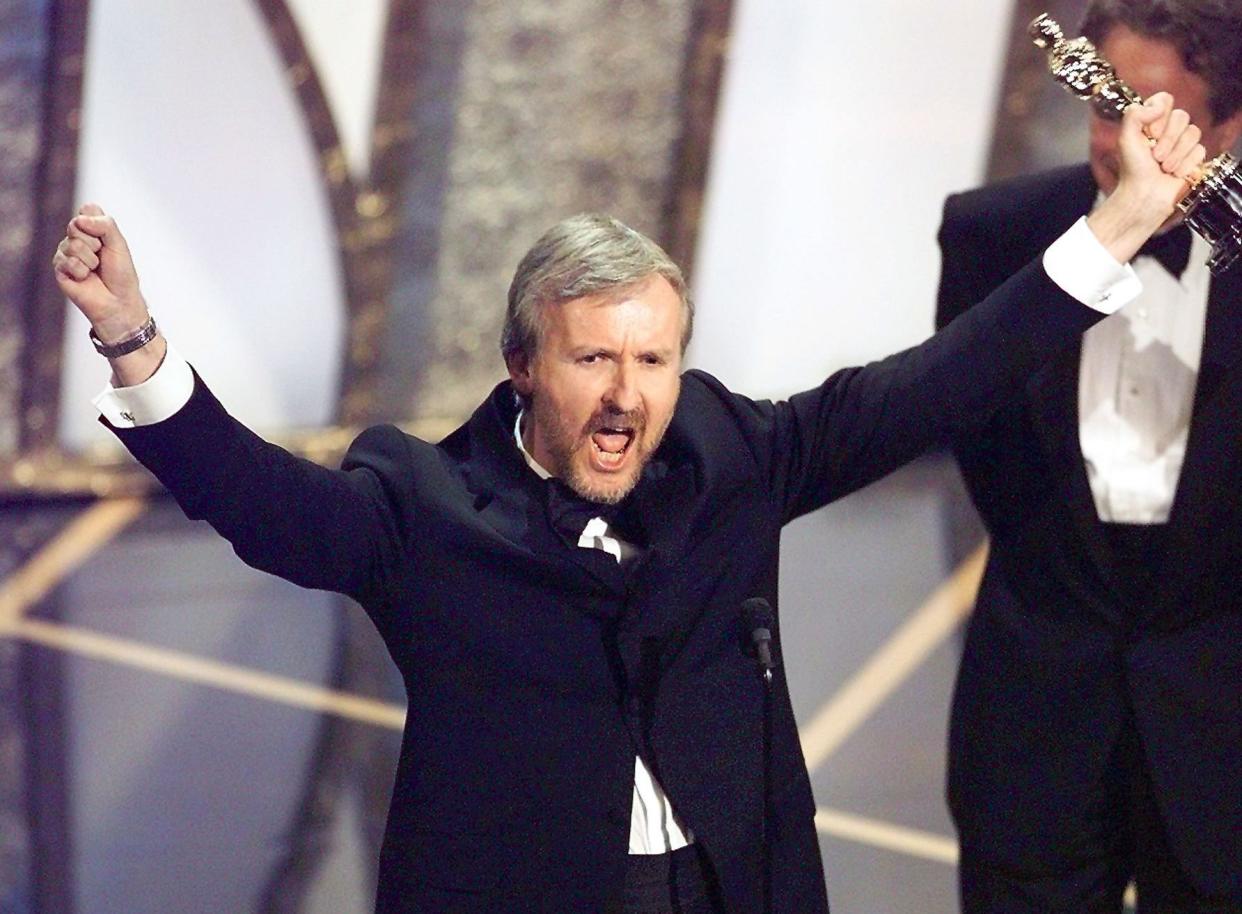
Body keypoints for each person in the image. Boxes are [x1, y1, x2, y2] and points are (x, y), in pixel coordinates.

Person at [52, 92, 1201, 913]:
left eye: (653, 362)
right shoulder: (425, 504)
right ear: (520, 364)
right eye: (592, 359)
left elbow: (936, 381)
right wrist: (132, 336)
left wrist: (1120, 226)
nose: (625, 397)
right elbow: (264, 504)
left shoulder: (732, 453)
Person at [935, 3, 1242, 912]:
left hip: (1222, 726)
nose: (1122, 149)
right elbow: (973, 439)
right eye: (1108, 112)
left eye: (1156, 119)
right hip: (1032, 717)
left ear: (1229, 123)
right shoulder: (992, 234)